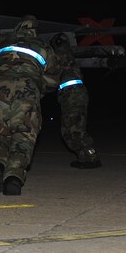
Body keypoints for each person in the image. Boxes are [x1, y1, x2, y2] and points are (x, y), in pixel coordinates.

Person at [0, 16, 58, 196]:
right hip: (27, 89)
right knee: (23, 135)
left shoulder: (3, 43)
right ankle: (14, 177)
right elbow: (53, 80)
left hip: (0, 89)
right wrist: (38, 87)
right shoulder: (43, 47)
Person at [50, 32, 102, 168]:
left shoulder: (60, 56)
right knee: (69, 130)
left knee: (75, 129)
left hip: (72, 95)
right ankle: (84, 156)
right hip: (73, 94)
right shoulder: (68, 56)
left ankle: (91, 157)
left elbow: (50, 76)